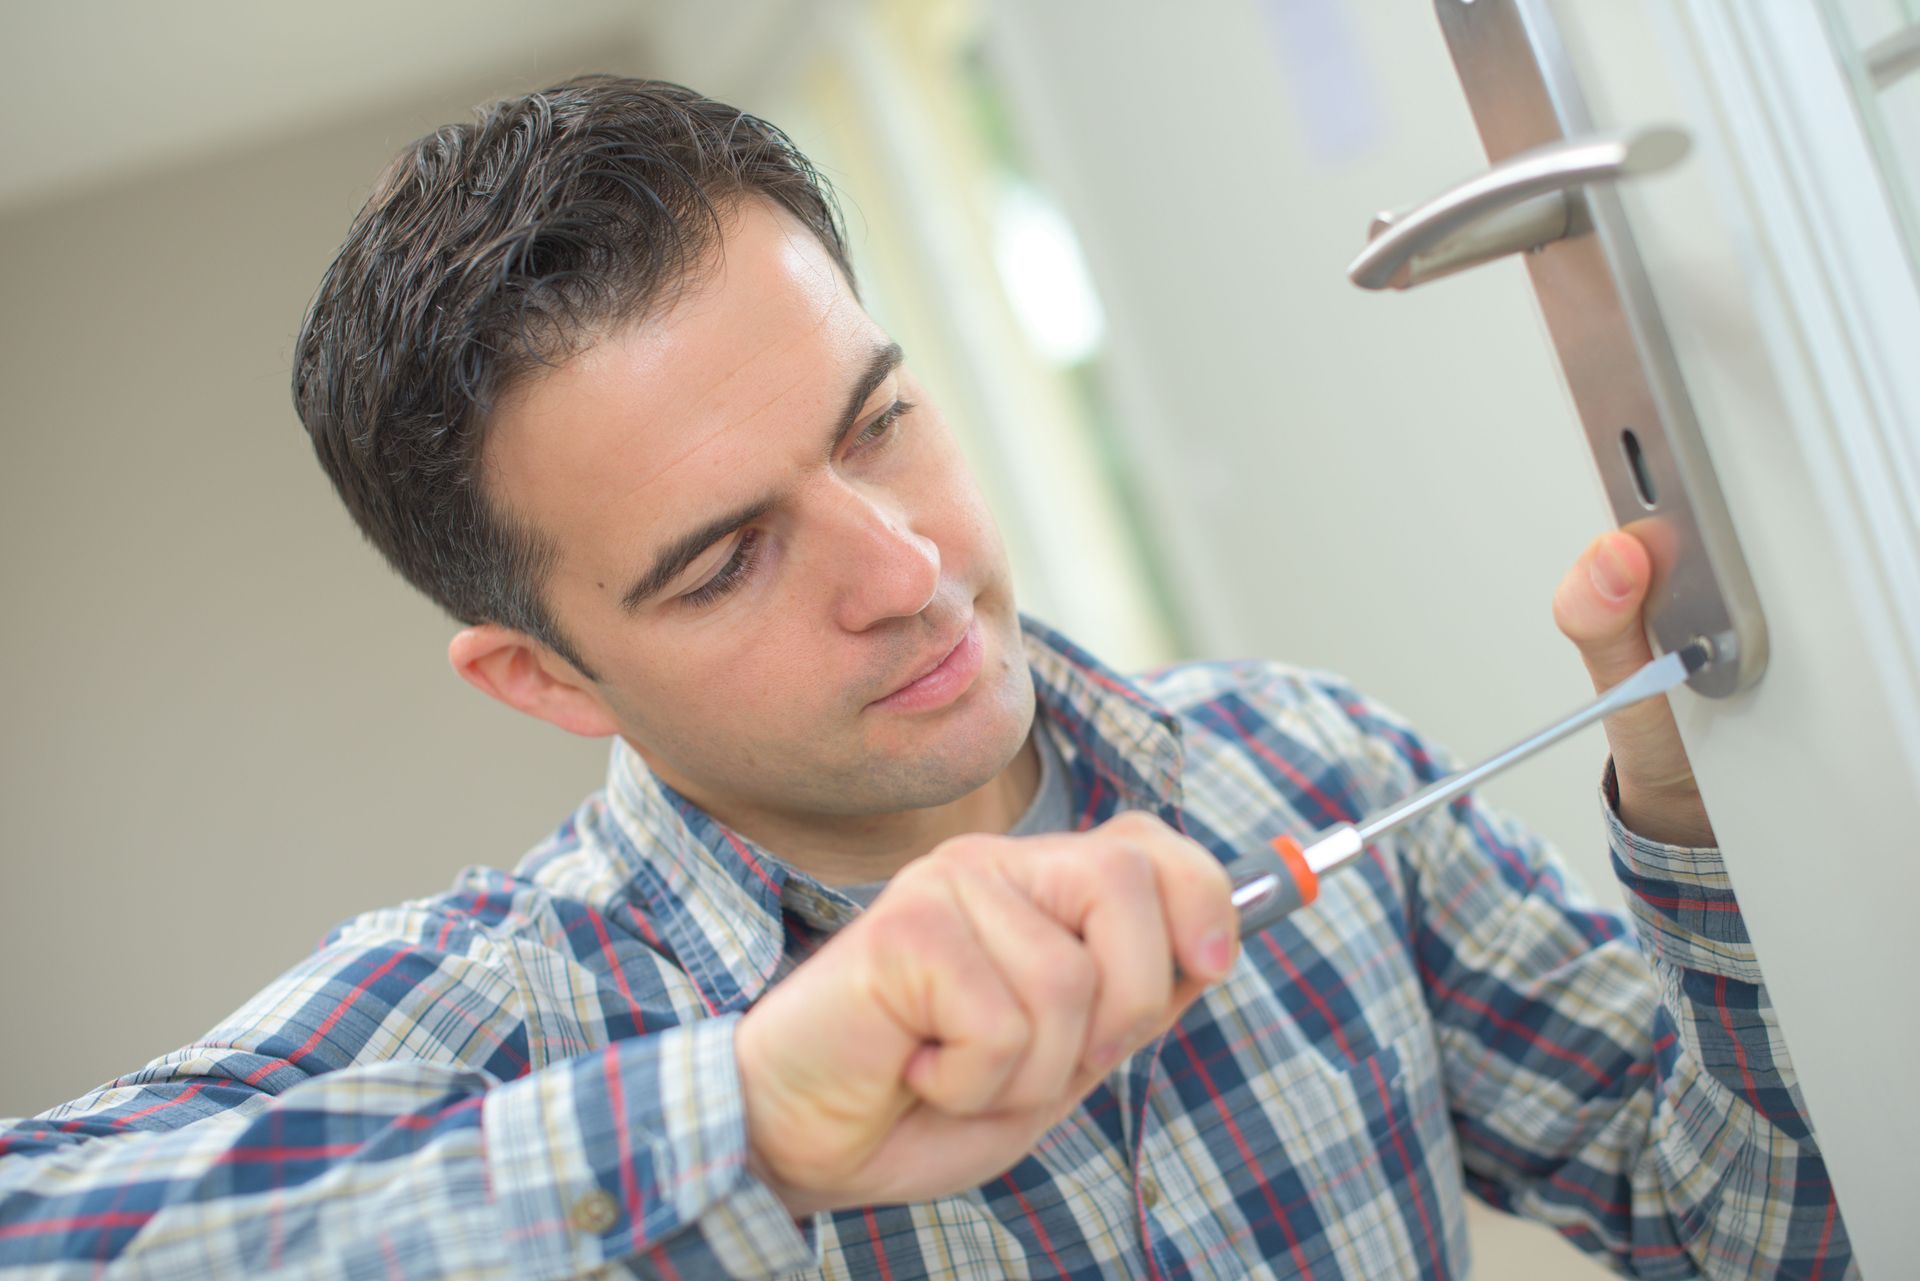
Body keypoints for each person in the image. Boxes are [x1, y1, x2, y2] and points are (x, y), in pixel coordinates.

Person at [0, 75, 1851, 1280]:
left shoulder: (1297, 763)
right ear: (543, 677)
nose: (906, 574)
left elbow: (1752, 1233)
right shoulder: (521, 1016)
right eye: (726, 558)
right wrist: (747, 1115)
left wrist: (1694, 823)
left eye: (879, 423)